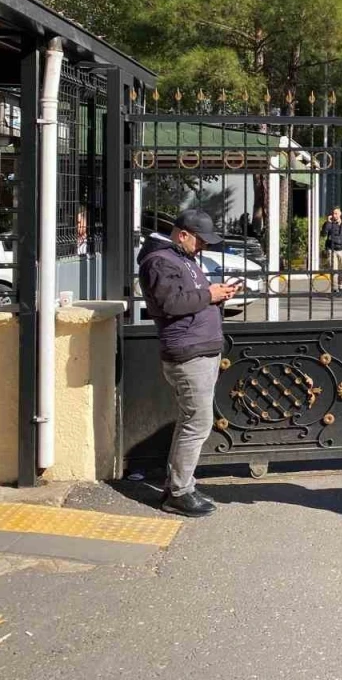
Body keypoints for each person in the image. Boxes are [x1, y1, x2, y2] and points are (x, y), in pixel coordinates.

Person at [137, 209, 240, 517]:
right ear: (182, 235)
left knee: (191, 421)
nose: (203, 246)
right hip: (188, 352)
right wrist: (209, 295)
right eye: (200, 240)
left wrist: (217, 295)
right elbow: (170, 303)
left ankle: (180, 486)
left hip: (198, 348)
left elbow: (190, 298)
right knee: (198, 423)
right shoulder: (160, 261)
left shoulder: (182, 258)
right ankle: (179, 492)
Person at [321, 206, 342, 294]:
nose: (334, 215)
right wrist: (327, 223)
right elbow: (323, 234)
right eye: (333, 213)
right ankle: (334, 289)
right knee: (333, 270)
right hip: (332, 249)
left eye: (336, 213)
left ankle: (340, 286)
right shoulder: (329, 224)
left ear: (340, 213)